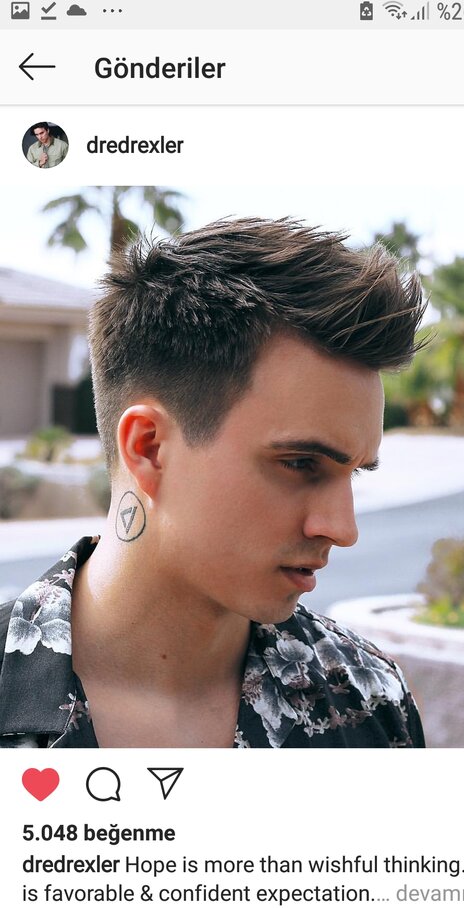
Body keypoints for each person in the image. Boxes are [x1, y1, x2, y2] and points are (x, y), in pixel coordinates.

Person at [0, 217, 426, 749]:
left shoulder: (370, 700)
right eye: (301, 463)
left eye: (354, 472)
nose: (342, 529)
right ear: (149, 447)